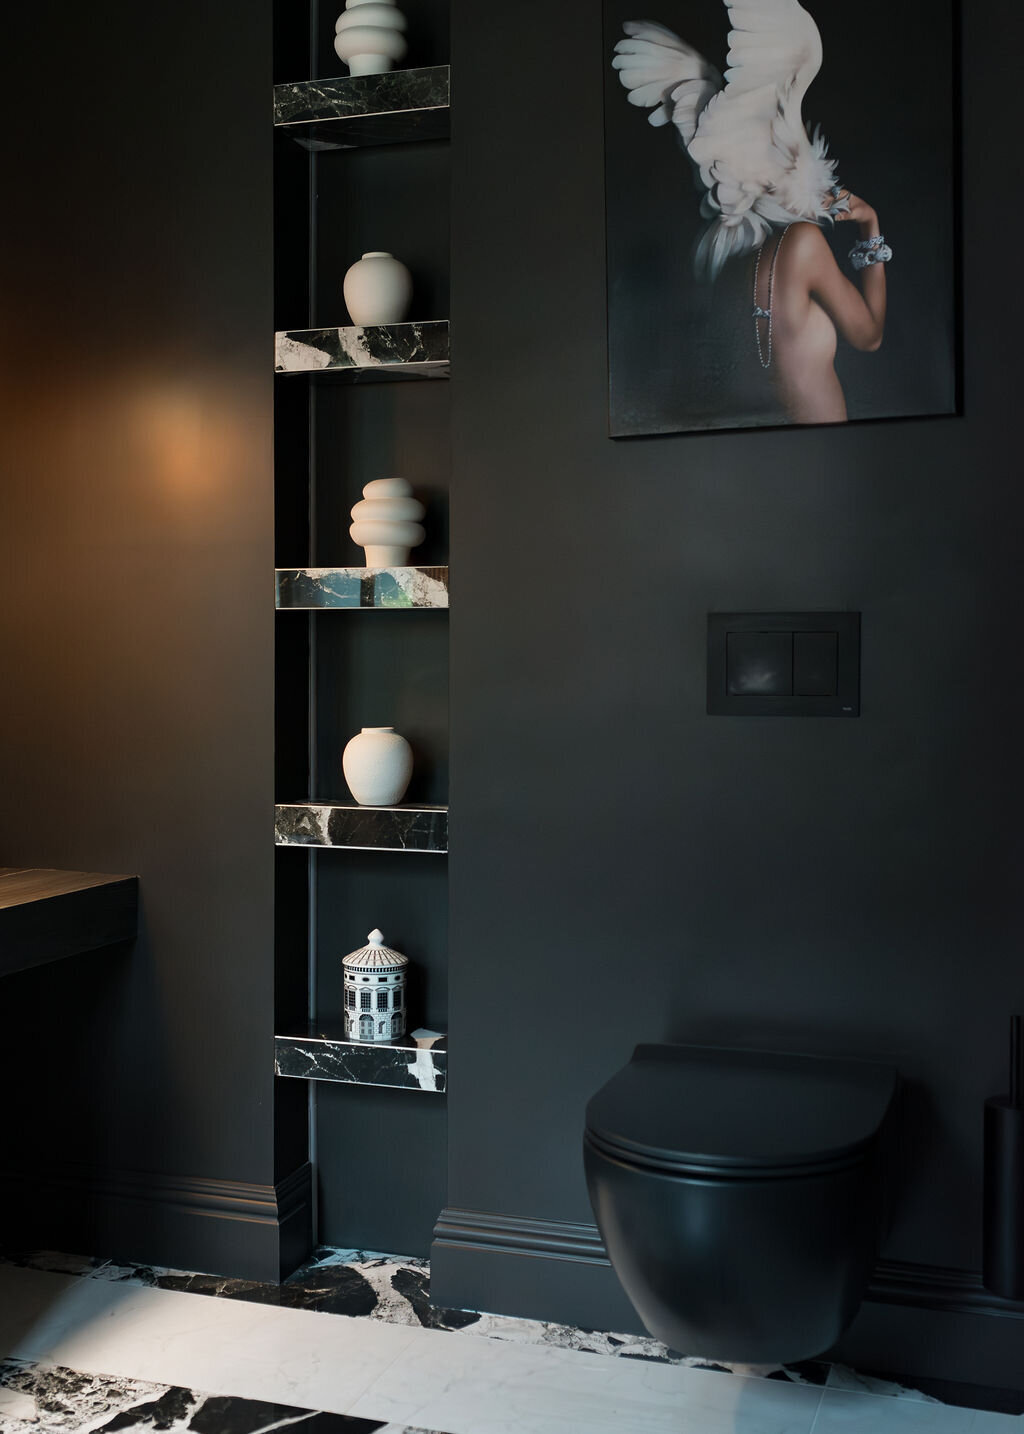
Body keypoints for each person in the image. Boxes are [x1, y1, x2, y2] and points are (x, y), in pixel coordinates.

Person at [752, 190, 889, 424]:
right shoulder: (801, 241)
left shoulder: (727, 249)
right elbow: (870, 337)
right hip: (823, 449)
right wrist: (870, 222)